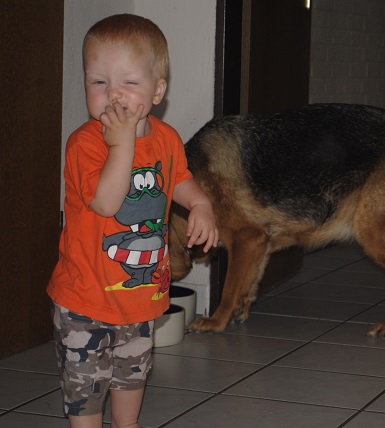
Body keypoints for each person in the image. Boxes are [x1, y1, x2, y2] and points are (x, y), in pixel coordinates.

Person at [47, 13, 218, 428]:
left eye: (128, 82)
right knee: (87, 387)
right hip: (85, 300)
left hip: (139, 296)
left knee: (132, 374)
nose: (113, 94)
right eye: (98, 81)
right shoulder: (86, 144)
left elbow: (178, 178)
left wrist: (200, 204)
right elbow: (107, 203)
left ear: (158, 90)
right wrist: (122, 146)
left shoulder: (167, 139)